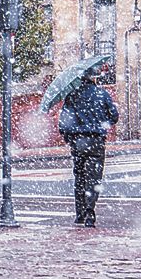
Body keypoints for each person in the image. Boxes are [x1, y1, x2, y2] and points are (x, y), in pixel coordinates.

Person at [58, 69, 120, 227]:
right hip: (96, 141)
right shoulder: (102, 94)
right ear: (94, 78)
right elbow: (114, 116)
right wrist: (102, 123)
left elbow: (64, 122)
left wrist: (69, 137)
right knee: (93, 178)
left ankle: (79, 213)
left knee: (79, 177)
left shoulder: (72, 96)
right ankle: (90, 212)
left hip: (78, 142)